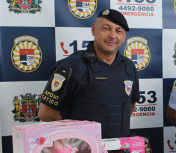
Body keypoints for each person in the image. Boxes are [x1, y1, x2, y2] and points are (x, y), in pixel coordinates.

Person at [38, 9, 140, 139]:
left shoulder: (129, 66)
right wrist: (80, 138)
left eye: (118, 31)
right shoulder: (72, 65)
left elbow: (129, 106)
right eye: (106, 28)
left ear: (124, 36)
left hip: (119, 151)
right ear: (93, 29)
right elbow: (46, 114)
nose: (112, 35)